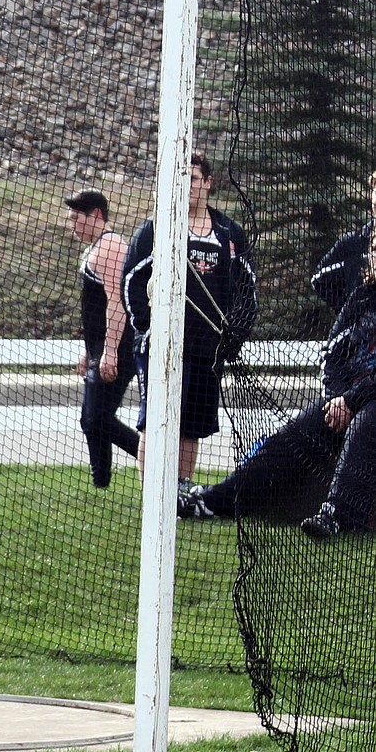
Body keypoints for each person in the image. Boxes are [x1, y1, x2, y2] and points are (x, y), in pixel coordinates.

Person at [179, 261, 376, 539]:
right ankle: (210, 501)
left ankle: (335, 514)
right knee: (293, 438)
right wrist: (336, 399)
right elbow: (333, 351)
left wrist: (352, 401)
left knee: (367, 419)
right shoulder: (364, 295)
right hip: (348, 403)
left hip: (366, 408)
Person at [121, 152, 258, 498]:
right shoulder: (157, 228)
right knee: (155, 421)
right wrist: (149, 328)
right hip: (163, 347)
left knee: (191, 426)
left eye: (194, 179)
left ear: (208, 183)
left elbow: (247, 292)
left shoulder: (228, 232)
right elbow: (132, 282)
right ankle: (153, 499)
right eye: (181, 180)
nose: (187, 187)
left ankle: (179, 497)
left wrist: (233, 337)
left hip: (206, 349)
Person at [64, 188, 140, 488]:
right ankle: (101, 483)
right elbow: (93, 306)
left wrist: (109, 351)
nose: (72, 225)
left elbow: (117, 302)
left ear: (96, 215)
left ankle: (154, 459)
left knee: (96, 419)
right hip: (103, 347)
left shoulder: (110, 247)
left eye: (76, 218)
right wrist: (89, 350)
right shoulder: (98, 246)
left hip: (118, 346)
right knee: (93, 419)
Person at [311, 168, 376, 315]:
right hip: (361, 333)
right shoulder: (352, 243)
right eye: (375, 190)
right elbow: (319, 279)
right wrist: (348, 310)